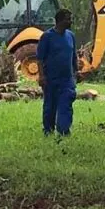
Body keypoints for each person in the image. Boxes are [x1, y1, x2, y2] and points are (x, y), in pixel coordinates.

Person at [36, 9, 77, 137]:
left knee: (66, 104)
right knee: (50, 107)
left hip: (67, 80)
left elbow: (73, 56)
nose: (70, 21)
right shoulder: (47, 37)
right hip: (50, 79)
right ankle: (48, 130)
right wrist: (41, 76)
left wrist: (77, 71)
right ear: (60, 20)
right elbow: (40, 59)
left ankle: (64, 130)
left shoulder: (71, 36)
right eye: (68, 19)